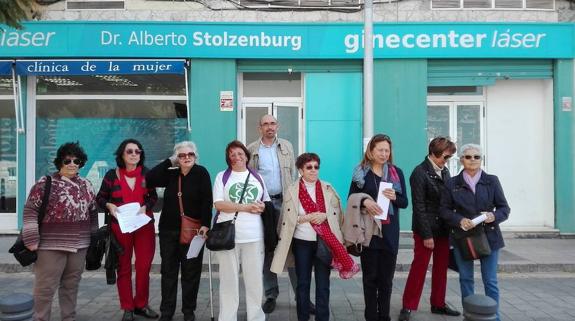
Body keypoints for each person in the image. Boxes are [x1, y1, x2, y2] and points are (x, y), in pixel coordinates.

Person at [272, 153, 359, 321]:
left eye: (316, 167)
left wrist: (324, 215)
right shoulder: (291, 190)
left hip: (324, 241)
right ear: (300, 170)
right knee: (302, 284)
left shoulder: (328, 188)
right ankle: (302, 317)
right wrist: (308, 217)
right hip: (301, 242)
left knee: (323, 284)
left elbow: (337, 216)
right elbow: (285, 220)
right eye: (309, 167)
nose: (313, 170)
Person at [22, 142, 98, 321]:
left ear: (81, 163)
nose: (72, 164)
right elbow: (30, 211)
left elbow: (93, 212)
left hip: (79, 246)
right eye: (67, 160)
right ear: (59, 162)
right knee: (45, 288)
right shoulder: (44, 183)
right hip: (50, 245)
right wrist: (31, 239)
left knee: (71, 286)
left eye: (76, 160)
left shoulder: (86, 185)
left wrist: (93, 239)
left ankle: (68, 318)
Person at [440, 144, 510, 321]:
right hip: (463, 237)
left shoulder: (492, 181)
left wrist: (493, 216)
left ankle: (494, 317)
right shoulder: (451, 183)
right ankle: (470, 315)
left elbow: (504, 208)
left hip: (489, 236)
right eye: (468, 156)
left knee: (490, 281)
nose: (472, 160)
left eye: (476, 157)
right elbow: (444, 210)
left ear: (481, 160)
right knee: (466, 279)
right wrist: (459, 220)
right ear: (462, 159)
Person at [146, 141, 213, 321]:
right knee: (168, 272)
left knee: (191, 272)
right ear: (177, 158)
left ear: (195, 156)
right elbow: (149, 179)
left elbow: (207, 200)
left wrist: (206, 225)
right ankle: (167, 311)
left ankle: (188, 311)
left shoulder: (201, 173)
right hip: (168, 231)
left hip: (193, 231)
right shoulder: (171, 173)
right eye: (182, 155)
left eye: (190, 154)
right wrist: (169, 161)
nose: (186, 158)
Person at [96, 139, 159, 321]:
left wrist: (146, 206)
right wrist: (109, 205)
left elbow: (153, 196)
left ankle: (141, 304)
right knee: (123, 267)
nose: (134, 154)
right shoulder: (111, 175)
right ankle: (127, 307)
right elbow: (99, 198)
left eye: (137, 151)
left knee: (143, 266)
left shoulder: (147, 175)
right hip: (120, 227)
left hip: (143, 226)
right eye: (129, 151)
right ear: (121, 155)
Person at [398, 137, 460, 321]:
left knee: (441, 268)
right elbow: (419, 206)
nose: (446, 161)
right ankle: (408, 306)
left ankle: (438, 304)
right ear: (434, 153)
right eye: (445, 157)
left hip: (444, 229)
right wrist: (426, 234)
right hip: (426, 229)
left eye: (448, 158)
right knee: (419, 267)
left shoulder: (445, 171)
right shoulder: (419, 172)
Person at [246, 114, 303, 314]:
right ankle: (271, 294)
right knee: (268, 249)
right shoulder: (252, 149)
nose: (269, 127)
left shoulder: (287, 146)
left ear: (277, 126)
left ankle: (301, 296)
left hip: (286, 204)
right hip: (264, 206)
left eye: (272, 123)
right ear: (259, 127)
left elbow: (294, 176)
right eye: (265, 124)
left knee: (293, 249)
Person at [348, 134, 408, 321]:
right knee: (370, 278)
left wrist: (394, 198)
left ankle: (385, 316)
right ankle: (371, 316)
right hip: (369, 232)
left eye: (387, 150)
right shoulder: (360, 172)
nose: (384, 154)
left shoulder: (396, 172)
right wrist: (365, 201)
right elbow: (351, 199)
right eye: (380, 150)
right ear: (371, 151)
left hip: (389, 232)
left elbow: (404, 202)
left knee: (386, 280)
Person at [212, 140, 269, 321]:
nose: (237, 157)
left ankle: (256, 317)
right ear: (228, 159)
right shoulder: (222, 176)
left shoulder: (257, 177)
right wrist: (245, 207)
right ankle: (227, 317)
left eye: (240, 153)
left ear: (246, 155)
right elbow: (219, 204)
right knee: (229, 281)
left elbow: (265, 202)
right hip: (229, 236)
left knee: (255, 281)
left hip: (254, 235)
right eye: (232, 155)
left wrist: (261, 207)